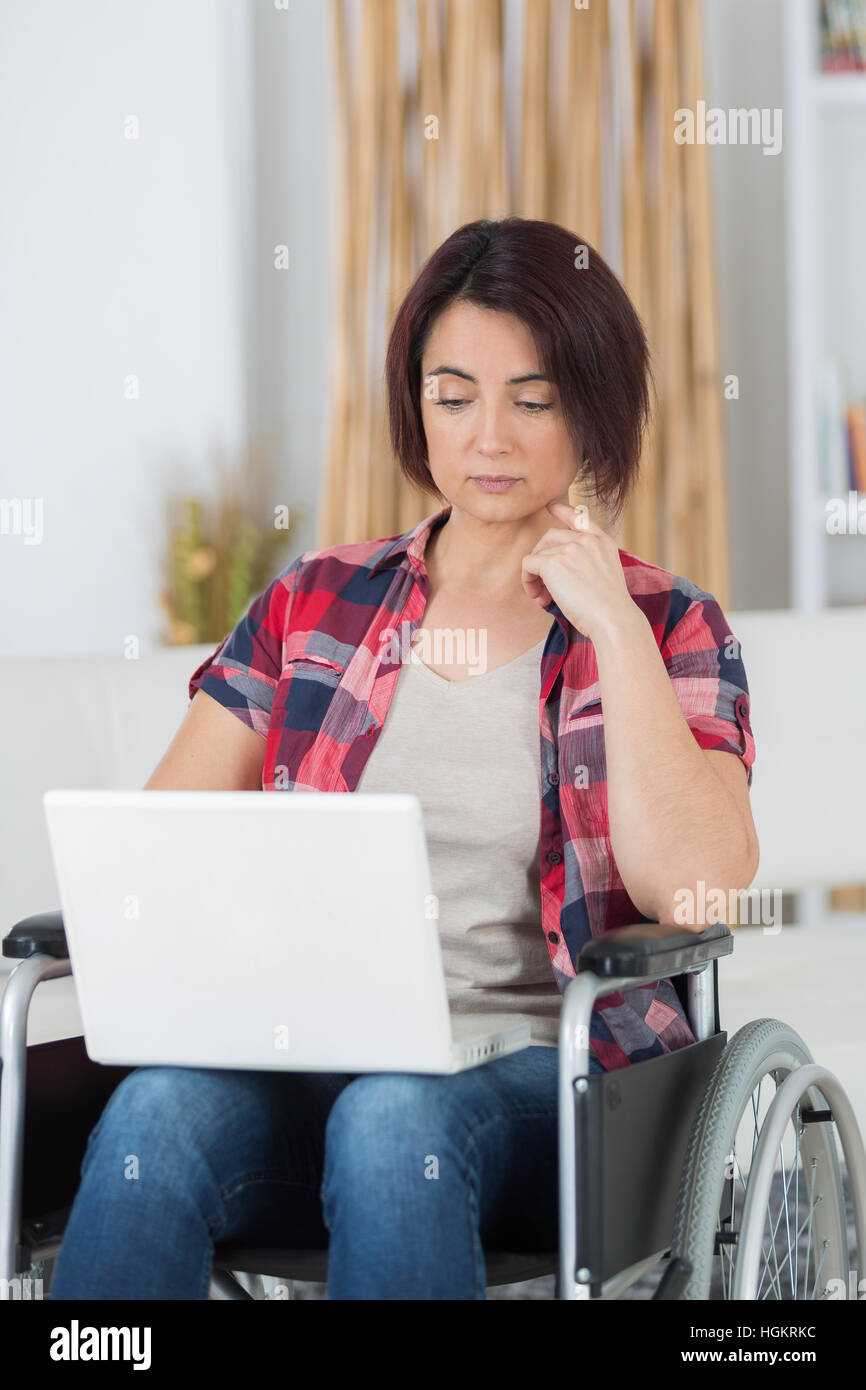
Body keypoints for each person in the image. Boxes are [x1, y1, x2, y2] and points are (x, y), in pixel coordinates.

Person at [50, 217, 757, 1300]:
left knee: (393, 1112)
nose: (488, 438)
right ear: (413, 401)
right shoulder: (314, 601)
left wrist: (610, 626)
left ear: (593, 406)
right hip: (311, 1056)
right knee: (156, 1112)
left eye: (532, 399)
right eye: (452, 393)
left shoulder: (669, 624)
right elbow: (160, 858)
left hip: (553, 1075)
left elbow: (693, 883)